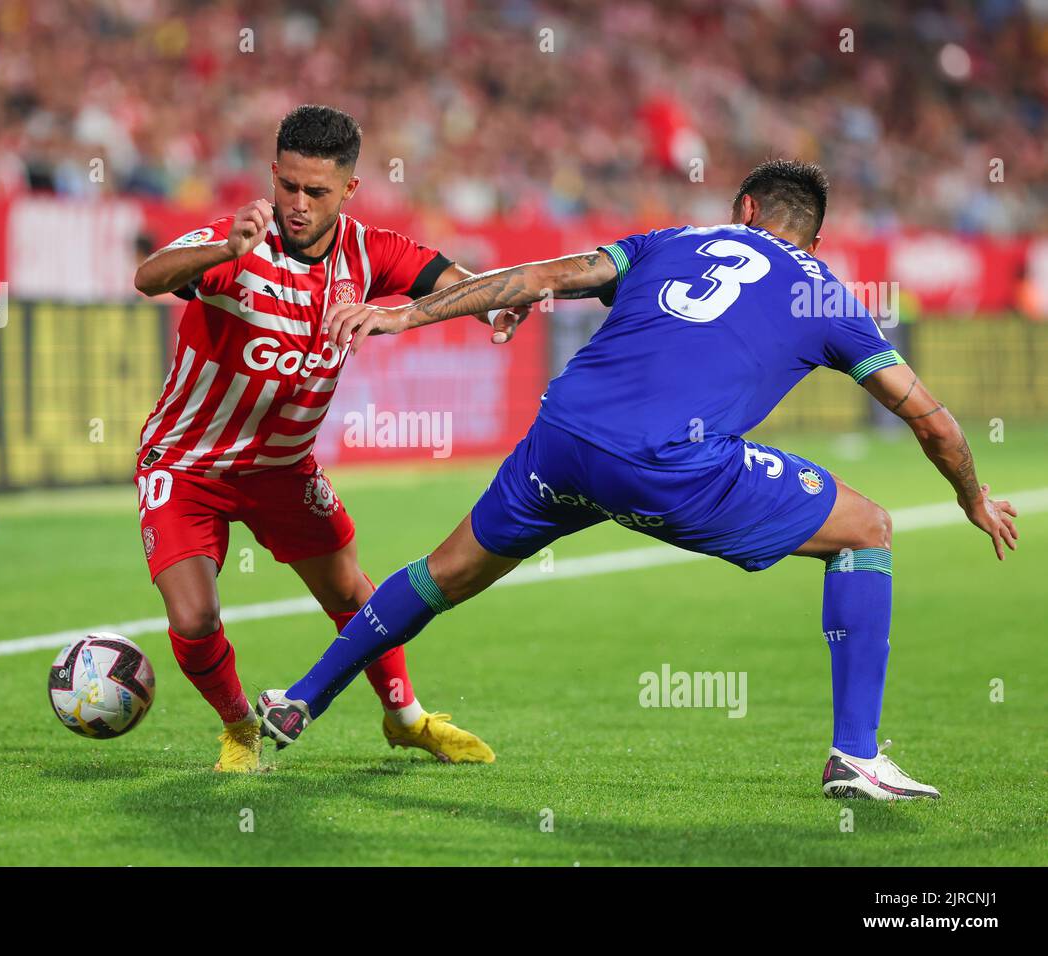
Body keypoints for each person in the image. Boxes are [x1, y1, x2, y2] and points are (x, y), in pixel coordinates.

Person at [256, 159, 1019, 801]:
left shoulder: (671, 239)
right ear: (813, 239)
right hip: (666, 467)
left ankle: (300, 700)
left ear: (742, 209)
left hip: (561, 440)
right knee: (869, 530)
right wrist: (972, 498)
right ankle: (855, 755)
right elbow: (935, 423)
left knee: (444, 571)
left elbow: (542, 276)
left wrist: (405, 315)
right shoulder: (824, 293)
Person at [132, 105, 529, 772]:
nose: (297, 203)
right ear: (273, 174)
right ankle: (241, 728)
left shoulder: (369, 251)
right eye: (287, 185)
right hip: (187, 463)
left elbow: (458, 283)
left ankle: (406, 718)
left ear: (348, 190)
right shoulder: (239, 244)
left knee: (353, 594)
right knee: (196, 616)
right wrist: (223, 248)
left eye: (315, 192)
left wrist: (493, 305)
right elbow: (149, 278)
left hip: (284, 471)